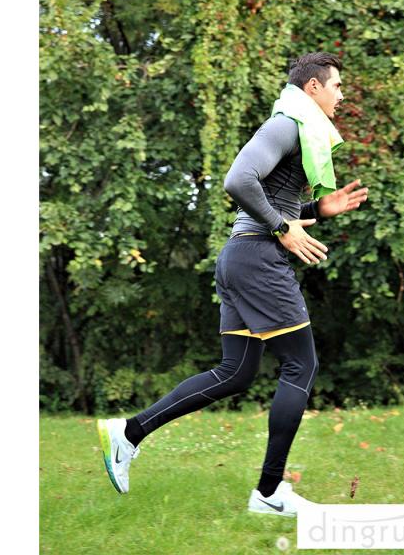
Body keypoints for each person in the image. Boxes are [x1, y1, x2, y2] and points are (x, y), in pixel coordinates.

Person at [97, 52, 369, 517]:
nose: (341, 95)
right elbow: (239, 180)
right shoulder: (286, 125)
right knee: (301, 365)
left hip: (243, 256)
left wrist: (316, 211)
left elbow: (271, 198)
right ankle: (269, 492)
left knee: (237, 371)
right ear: (313, 88)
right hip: (258, 259)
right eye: (337, 86)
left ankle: (129, 433)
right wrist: (283, 229)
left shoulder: (300, 129)